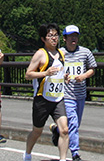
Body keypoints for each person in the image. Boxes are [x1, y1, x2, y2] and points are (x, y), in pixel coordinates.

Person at [49, 25, 96, 161]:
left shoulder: (85, 52)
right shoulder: (59, 53)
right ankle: (75, 152)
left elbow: (92, 68)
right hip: (66, 95)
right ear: (64, 38)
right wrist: (62, 76)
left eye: (75, 36)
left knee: (74, 124)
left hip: (80, 94)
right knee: (73, 123)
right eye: (70, 36)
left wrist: (84, 76)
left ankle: (57, 130)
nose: (73, 38)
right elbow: (54, 70)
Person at [23, 23, 69, 161]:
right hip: (42, 99)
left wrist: (64, 77)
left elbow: (60, 71)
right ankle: (27, 153)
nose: (54, 38)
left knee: (65, 130)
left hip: (58, 98)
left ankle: (63, 159)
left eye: (55, 35)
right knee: (37, 131)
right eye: (50, 36)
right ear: (43, 39)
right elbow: (28, 74)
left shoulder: (62, 53)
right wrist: (45, 73)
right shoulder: (40, 54)